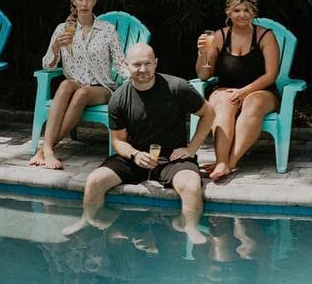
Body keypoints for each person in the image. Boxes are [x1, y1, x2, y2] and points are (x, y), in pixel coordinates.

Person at [65, 41, 213, 244]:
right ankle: (87, 219)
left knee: (191, 185)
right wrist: (135, 154)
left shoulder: (177, 87)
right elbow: (118, 141)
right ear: (126, 65)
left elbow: (208, 113)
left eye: (147, 63)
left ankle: (190, 226)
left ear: (156, 63)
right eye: (136, 65)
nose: (142, 69)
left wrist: (192, 148)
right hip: (135, 156)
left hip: (172, 158)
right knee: (94, 180)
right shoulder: (118, 98)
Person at [29, 0, 128, 170]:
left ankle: (46, 148)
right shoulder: (63, 29)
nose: (84, 3)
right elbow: (47, 66)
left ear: (95, 2)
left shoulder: (107, 30)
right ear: (73, 1)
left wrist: (135, 77)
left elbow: (120, 63)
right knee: (66, 85)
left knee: (82, 93)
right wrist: (55, 47)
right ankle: (47, 150)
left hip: (102, 88)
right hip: (74, 84)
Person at [194, 0, 281, 182]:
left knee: (253, 103)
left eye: (246, 10)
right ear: (228, 13)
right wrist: (203, 54)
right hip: (226, 89)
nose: (242, 14)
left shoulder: (265, 36)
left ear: (254, 13)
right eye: (237, 10)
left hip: (261, 90)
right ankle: (221, 161)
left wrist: (244, 91)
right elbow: (203, 75)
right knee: (223, 102)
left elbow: (271, 75)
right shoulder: (218, 37)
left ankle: (229, 163)